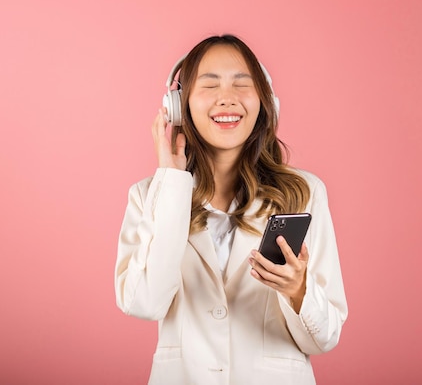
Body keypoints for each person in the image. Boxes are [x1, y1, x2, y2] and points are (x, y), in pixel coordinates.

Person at [114, 34, 347, 385]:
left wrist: (298, 291)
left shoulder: (304, 193)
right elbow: (145, 302)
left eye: (243, 84)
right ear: (179, 106)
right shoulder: (150, 196)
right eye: (209, 86)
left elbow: (325, 337)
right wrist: (172, 181)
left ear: (265, 103)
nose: (228, 98)